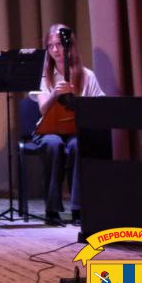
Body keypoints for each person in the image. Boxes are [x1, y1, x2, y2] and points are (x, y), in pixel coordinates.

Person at [32, 23, 104, 225]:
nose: (55, 50)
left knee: (77, 145)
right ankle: (52, 209)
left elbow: (99, 104)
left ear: (69, 46)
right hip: (49, 129)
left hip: (75, 130)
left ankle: (78, 208)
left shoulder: (86, 75)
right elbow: (43, 110)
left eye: (59, 45)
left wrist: (77, 99)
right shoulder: (43, 76)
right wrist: (55, 93)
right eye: (50, 45)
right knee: (53, 144)